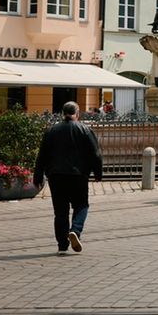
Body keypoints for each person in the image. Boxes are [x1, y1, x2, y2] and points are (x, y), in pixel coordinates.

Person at [33, 101, 103, 254]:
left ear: (62, 113)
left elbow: (42, 156)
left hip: (56, 176)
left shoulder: (51, 131)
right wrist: (98, 173)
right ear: (77, 113)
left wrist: (37, 177)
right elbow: (95, 154)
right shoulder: (85, 130)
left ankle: (62, 245)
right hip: (78, 175)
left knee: (60, 211)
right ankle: (75, 230)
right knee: (81, 205)